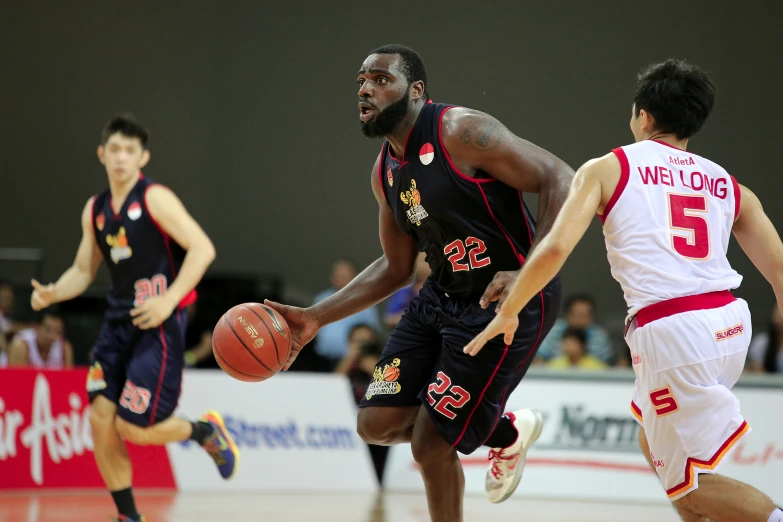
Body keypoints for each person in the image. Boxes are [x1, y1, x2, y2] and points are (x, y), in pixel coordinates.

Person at [465, 59, 783, 522]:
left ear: (644, 115)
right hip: (729, 325)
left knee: (692, 487)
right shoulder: (730, 186)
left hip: (673, 331)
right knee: (650, 438)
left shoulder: (608, 167)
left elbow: (554, 250)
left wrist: (510, 308)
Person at [265, 44, 572, 521]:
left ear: (416, 90)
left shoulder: (462, 131)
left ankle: (486, 432)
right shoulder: (384, 171)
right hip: (441, 298)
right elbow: (395, 268)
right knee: (375, 422)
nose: (365, 88)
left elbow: (562, 178)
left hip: (503, 303)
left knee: (431, 444)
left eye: (381, 79)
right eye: (361, 80)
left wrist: (528, 272)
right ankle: (505, 434)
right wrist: (312, 318)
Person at [29, 115, 237, 522]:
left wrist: (171, 300)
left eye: (130, 150)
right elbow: (82, 270)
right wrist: (55, 291)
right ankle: (129, 516)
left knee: (134, 428)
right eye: (115, 149)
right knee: (100, 419)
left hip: (157, 325)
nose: (121, 157)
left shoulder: (155, 197)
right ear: (102, 154)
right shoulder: (95, 209)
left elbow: (202, 248)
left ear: (142, 157)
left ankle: (204, 431)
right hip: (116, 325)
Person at [535, 293, 613, 364]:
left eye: (584, 316)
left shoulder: (599, 335)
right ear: (567, 314)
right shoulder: (553, 330)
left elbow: (605, 364)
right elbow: (539, 358)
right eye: (577, 315)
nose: (580, 320)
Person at [0, 311, 73, 368]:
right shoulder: (21, 344)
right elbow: (15, 379)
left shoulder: (64, 347)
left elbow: (68, 379)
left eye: (57, 332)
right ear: (36, 328)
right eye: (48, 330)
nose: (52, 336)